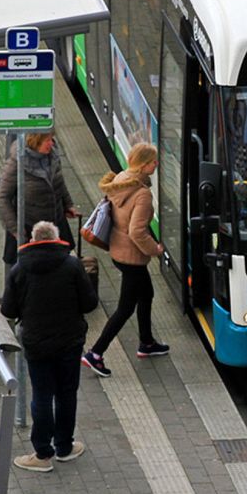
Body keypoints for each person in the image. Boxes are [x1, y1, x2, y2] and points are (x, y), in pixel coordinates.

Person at [1, 220, 98, 472]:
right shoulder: (72, 265)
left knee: (42, 395)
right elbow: (89, 304)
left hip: (36, 342)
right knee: (67, 393)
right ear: (56, 239)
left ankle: (42, 454)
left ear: (33, 240)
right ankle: (65, 447)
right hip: (70, 341)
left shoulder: (19, 269)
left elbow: (8, 309)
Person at [82, 143, 168, 377]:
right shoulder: (141, 194)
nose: (156, 165)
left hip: (118, 251)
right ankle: (95, 353)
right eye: (152, 162)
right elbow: (137, 232)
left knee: (147, 294)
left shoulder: (121, 178)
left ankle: (147, 343)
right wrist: (156, 249)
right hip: (131, 257)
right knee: (125, 308)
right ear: (143, 165)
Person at [0, 132, 80, 267]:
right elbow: (2, 198)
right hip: (30, 230)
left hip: (56, 224)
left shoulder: (53, 155)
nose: (51, 143)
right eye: (47, 140)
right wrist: (16, 230)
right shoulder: (17, 163)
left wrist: (68, 204)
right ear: (35, 141)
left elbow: (59, 181)